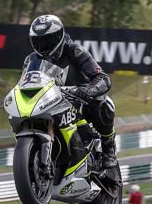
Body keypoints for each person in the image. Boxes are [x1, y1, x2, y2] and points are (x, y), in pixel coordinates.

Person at [24, 14, 118, 168]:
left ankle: (109, 147)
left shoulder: (74, 51)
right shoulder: (31, 60)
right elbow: (25, 84)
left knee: (102, 103)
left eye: (48, 40)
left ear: (60, 36)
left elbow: (102, 78)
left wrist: (88, 90)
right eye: (38, 41)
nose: (44, 45)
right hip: (49, 104)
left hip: (78, 101)